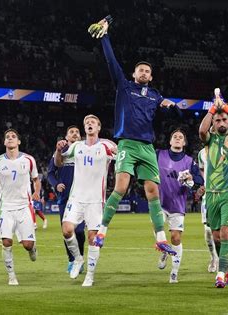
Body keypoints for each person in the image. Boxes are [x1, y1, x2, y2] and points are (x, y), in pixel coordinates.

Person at [88, 16, 178, 256]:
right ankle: (101, 232)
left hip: (147, 147)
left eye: (148, 71)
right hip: (127, 143)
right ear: (134, 73)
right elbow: (111, 62)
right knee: (121, 187)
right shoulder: (125, 86)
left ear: (151, 76)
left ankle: (160, 238)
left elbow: (176, 116)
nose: (144, 73)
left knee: (152, 191)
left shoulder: (156, 95)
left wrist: (171, 106)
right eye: (141, 70)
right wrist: (105, 36)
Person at [54, 115, 116, 287]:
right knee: (66, 230)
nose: (89, 124)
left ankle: (90, 275)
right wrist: (58, 150)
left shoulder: (107, 146)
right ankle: (78, 259)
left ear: (98, 127)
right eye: (87, 122)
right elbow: (59, 163)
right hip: (77, 198)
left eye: (93, 122)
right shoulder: (76, 146)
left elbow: (123, 157)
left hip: (96, 201)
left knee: (93, 238)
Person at [198, 91, 228, 288]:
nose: (221, 122)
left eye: (224, 119)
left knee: (226, 233)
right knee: (217, 237)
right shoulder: (209, 140)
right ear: (213, 123)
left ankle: (220, 273)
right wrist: (213, 108)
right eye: (217, 120)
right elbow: (202, 131)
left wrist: (226, 107)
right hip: (212, 193)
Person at [0, 129, 41, 286]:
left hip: (24, 207)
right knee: (7, 242)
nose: (10, 138)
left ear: (19, 142)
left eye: (13, 136)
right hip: (7, 208)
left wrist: (36, 192)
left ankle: (32, 249)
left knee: (27, 244)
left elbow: (36, 179)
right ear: (4, 142)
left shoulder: (29, 160)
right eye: (7, 137)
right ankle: (11, 276)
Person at [156, 129, 203, 283]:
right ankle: (163, 248)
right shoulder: (158, 154)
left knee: (175, 238)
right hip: (159, 203)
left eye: (180, 137)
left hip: (177, 205)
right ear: (170, 141)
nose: (177, 138)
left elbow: (200, 180)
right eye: (174, 136)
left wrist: (191, 177)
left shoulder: (189, 161)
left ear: (184, 143)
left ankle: (174, 272)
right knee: (158, 231)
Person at [47, 125, 86, 273]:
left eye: (77, 132)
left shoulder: (84, 150)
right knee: (67, 231)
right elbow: (50, 173)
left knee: (80, 231)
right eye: (71, 132)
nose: (75, 133)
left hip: (82, 197)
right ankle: (71, 259)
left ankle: (79, 257)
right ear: (66, 137)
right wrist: (56, 184)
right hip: (65, 198)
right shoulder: (61, 151)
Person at [197, 147, 219, 273]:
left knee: (223, 230)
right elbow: (201, 168)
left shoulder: (227, 148)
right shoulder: (202, 153)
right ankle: (213, 257)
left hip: (225, 194)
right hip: (208, 195)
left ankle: (223, 259)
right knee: (208, 230)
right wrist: (206, 182)